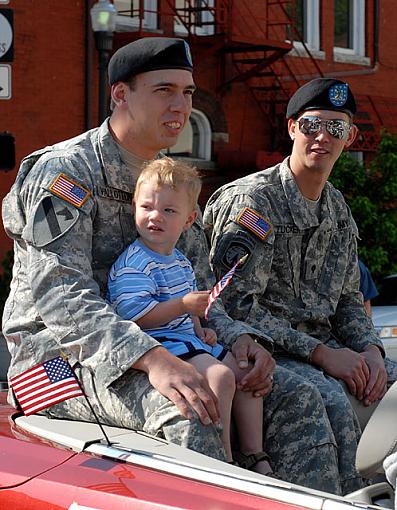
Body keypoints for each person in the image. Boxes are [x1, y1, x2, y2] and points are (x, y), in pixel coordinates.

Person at [0, 38, 351, 494]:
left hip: (168, 346)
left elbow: (205, 291)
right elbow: (60, 295)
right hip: (58, 360)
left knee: (294, 398)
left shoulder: (171, 181)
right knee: (193, 408)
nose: (181, 105)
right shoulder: (67, 173)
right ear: (120, 95)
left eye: (187, 93)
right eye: (164, 89)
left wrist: (241, 341)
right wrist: (150, 359)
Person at [203, 77, 397, 494]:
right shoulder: (253, 202)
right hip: (261, 352)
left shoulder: (337, 210)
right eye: (311, 125)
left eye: (336, 128)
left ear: (351, 137)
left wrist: (370, 351)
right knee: (318, 398)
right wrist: (324, 354)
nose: (322, 137)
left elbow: (347, 300)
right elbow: (231, 306)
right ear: (292, 128)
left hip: (325, 351)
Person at [107, 157, 272, 474]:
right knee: (221, 377)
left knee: (247, 372)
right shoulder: (134, 262)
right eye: (147, 207)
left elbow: (189, 306)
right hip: (158, 343)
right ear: (134, 208)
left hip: (186, 339)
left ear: (188, 220)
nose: (155, 216)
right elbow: (135, 317)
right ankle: (224, 458)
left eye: (169, 210)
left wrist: (199, 328)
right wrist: (184, 306)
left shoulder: (180, 261)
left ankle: (255, 454)